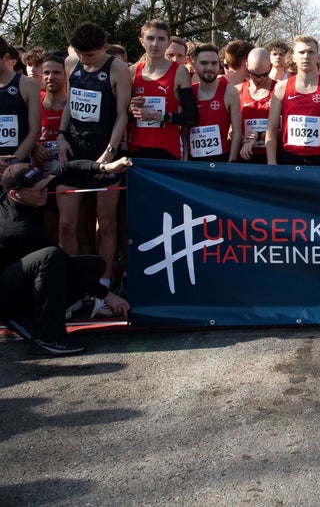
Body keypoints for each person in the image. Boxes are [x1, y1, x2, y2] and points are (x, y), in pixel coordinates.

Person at [0, 159, 131, 355]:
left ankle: (28, 316)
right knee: (51, 257)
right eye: (38, 188)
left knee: (94, 265)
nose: (45, 190)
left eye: (44, 184)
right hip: (5, 292)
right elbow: (62, 262)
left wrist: (105, 167)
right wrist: (106, 294)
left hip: (20, 276)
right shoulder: (18, 229)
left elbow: (69, 168)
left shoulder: (20, 195)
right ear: (15, 194)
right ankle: (49, 337)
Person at [57, 22, 132, 318]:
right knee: (67, 224)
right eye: (81, 55)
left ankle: (103, 286)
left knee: (106, 223)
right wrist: (62, 136)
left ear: (103, 47)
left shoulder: (117, 69)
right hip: (75, 150)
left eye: (90, 55)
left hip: (105, 149)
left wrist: (110, 152)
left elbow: (122, 114)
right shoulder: (70, 62)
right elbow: (70, 102)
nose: (85, 60)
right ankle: (71, 287)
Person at [266, 36, 320, 166]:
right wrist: (271, 161)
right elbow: (272, 128)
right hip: (289, 159)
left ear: (318, 57)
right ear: (293, 57)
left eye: (311, 52)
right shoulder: (281, 88)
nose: (306, 56)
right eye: (301, 52)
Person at [128, 20, 198, 160]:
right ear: (142, 41)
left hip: (168, 150)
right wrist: (130, 108)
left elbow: (192, 116)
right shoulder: (133, 71)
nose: (155, 44)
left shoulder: (179, 72)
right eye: (150, 38)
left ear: (167, 42)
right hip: (137, 149)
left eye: (161, 39)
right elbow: (123, 115)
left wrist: (161, 116)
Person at [187, 44, 242, 163]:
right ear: (194, 65)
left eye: (214, 63)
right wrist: (185, 159)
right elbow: (184, 130)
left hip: (222, 160)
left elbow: (237, 132)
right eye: (204, 63)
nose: (210, 67)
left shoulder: (230, 92)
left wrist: (231, 161)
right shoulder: (189, 92)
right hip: (193, 161)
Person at [0, 36, 42, 169]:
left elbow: (35, 130)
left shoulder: (27, 84)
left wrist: (13, 162)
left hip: (18, 165)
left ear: (6, 57)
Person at [237, 48, 276, 164]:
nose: (259, 79)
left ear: (270, 67)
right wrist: (243, 138)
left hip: (272, 157)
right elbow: (230, 130)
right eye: (254, 74)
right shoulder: (237, 91)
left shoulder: (280, 90)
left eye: (264, 74)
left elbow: (284, 128)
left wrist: (260, 136)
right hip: (245, 156)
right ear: (246, 65)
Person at [34, 54, 67, 171]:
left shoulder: (74, 105)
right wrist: (34, 146)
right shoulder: (33, 104)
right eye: (46, 73)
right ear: (41, 76)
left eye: (56, 73)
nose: (51, 77)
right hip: (38, 174)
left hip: (69, 172)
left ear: (66, 76)